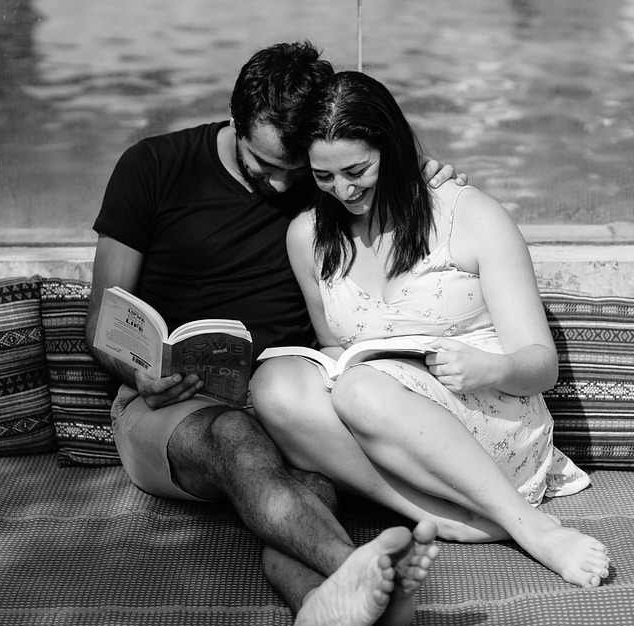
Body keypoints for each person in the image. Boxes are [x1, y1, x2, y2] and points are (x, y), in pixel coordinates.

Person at [84, 43, 463, 626]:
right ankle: (358, 572)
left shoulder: (327, 180)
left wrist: (428, 178)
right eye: (265, 164)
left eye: (298, 168)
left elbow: (383, 165)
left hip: (288, 407)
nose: (285, 183)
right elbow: (102, 321)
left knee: (308, 492)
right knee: (235, 436)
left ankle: (318, 612)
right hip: (166, 410)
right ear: (235, 123)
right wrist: (140, 373)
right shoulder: (153, 165)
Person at [251, 71, 611, 589]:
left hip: (489, 416)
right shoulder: (308, 235)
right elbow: (334, 345)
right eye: (323, 176)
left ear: (393, 148)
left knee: (359, 390)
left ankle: (529, 526)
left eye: (357, 170)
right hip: (388, 430)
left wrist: (492, 368)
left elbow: (542, 366)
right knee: (274, 386)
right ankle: (440, 516)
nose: (344, 190)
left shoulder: (470, 215)